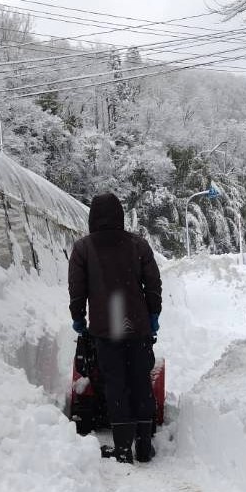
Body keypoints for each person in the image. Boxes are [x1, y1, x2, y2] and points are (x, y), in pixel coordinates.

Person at [68, 192, 162, 464]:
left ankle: (122, 449)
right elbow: (153, 283)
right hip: (137, 325)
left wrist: (78, 317)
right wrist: (153, 313)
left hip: (106, 328)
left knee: (116, 385)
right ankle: (144, 446)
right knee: (140, 381)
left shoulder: (83, 248)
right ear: (119, 215)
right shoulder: (138, 244)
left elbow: (77, 289)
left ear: (92, 217)